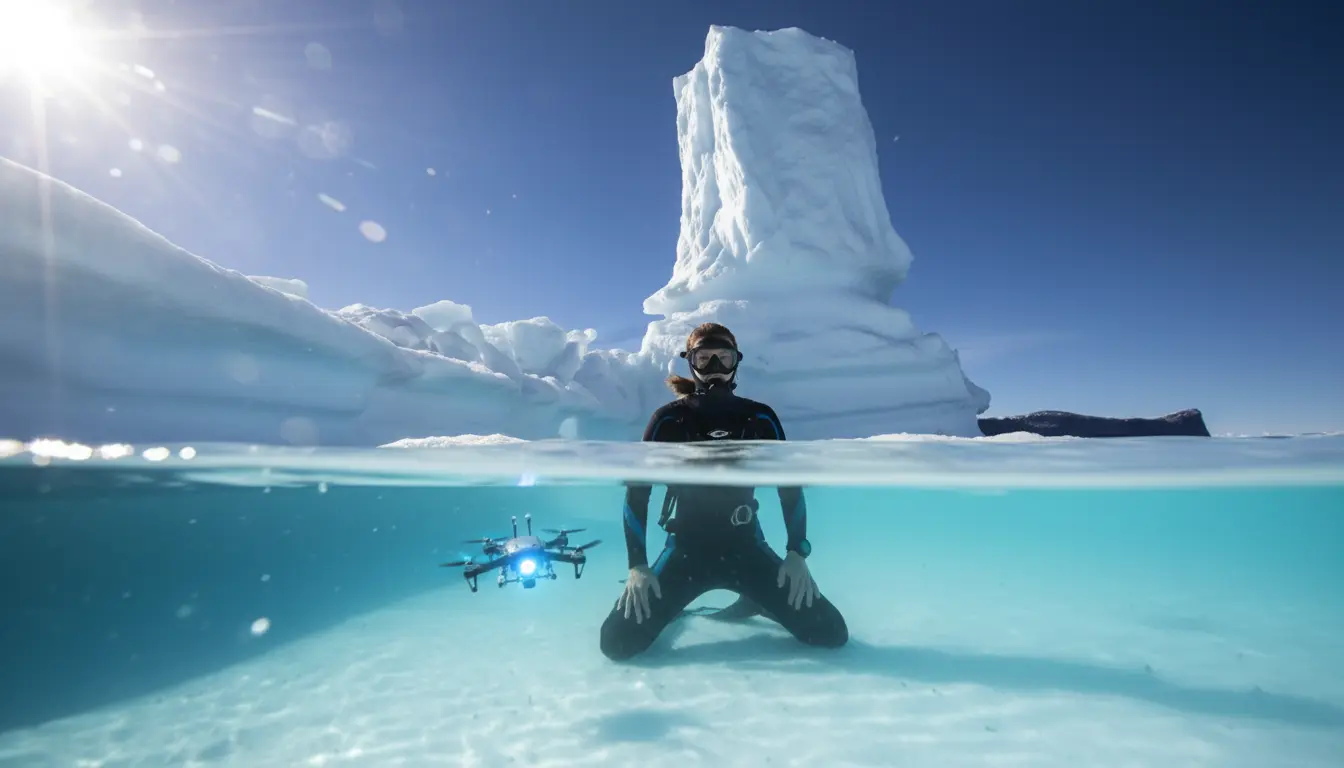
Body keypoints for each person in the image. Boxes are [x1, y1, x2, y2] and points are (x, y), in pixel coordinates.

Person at [598, 322, 849, 661]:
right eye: (704, 359)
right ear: (690, 363)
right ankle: (675, 606)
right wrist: (637, 567)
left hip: (746, 548)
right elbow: (637, 493)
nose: (715, 367)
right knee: (617, 642)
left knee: (830, 632)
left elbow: (789, 486)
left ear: (736, 362)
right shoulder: (669, 421)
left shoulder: (760, 418)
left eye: (724, 358)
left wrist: (796, 553)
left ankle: (757, 600)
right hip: (686, 551)